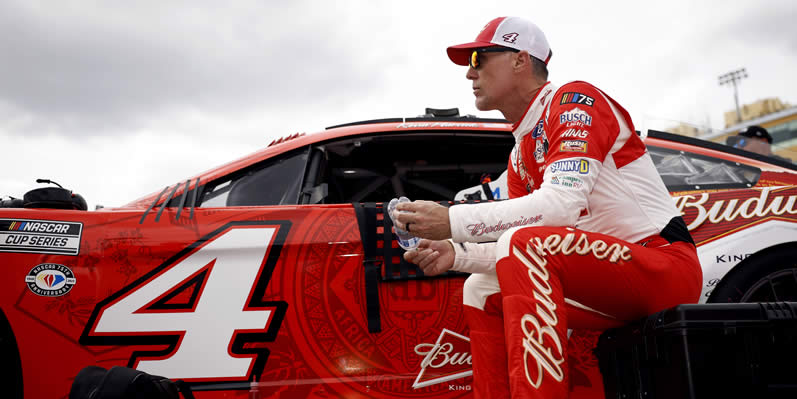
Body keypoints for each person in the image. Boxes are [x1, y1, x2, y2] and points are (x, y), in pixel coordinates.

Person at [394, 16, 702, 398]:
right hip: (607, 277)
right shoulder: (520, 151)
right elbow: (524, 249)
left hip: (663, 265)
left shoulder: (574, 100)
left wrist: (451, 221)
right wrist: (455, 255)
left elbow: (558, 208)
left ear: (521, 60)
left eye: (478, 58)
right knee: (480, 287)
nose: (470, 74)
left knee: (524, 243)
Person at [727, 125, 792, 162]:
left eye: (743, 142)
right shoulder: (738, 174)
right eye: (735, 146)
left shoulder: (786, 168)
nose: (738, 148)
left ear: (763, 142)